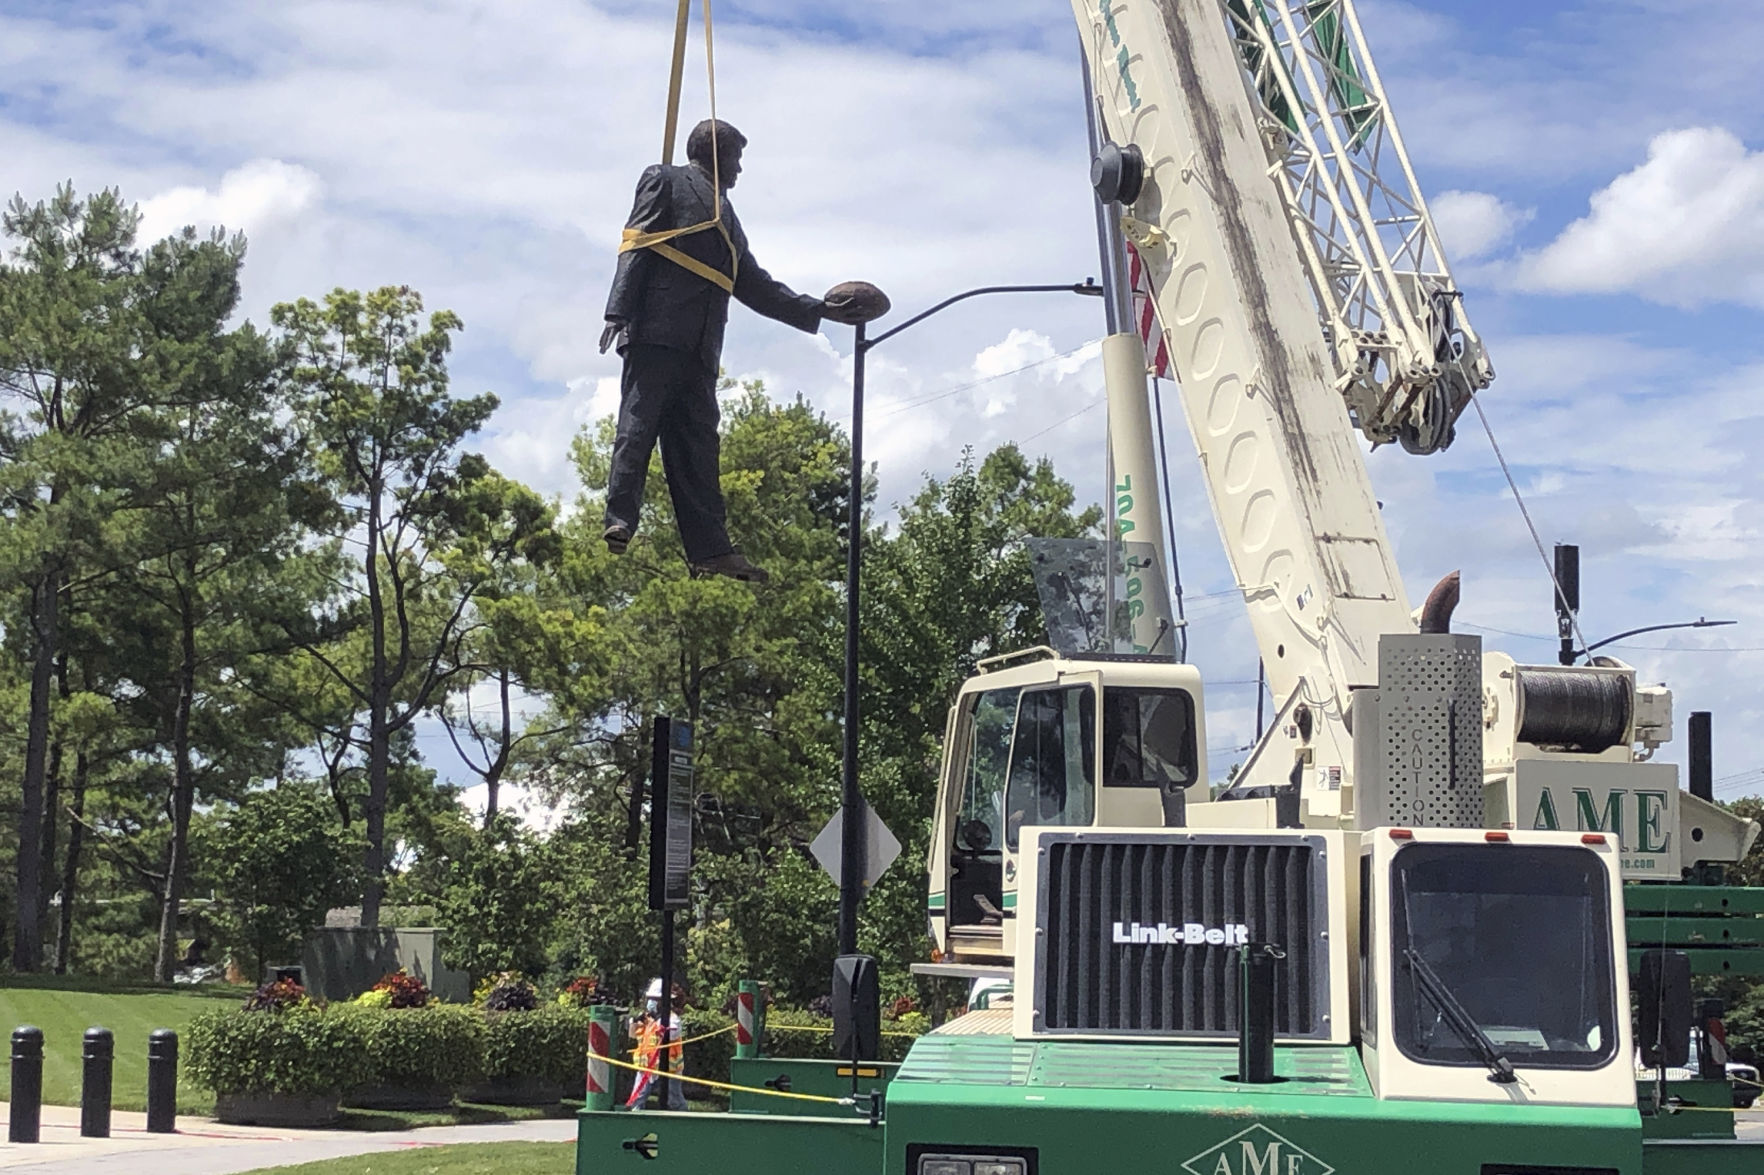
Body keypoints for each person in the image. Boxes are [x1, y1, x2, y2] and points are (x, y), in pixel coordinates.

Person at [602, 118, 874, 583]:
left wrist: (820, 310)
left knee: (699, 448)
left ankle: (711, 549)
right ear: (714, 151)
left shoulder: (728, 218)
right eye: (737, 157)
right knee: (639, 424)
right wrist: (617, 311)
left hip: (702, 345)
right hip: (657, 329)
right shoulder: (664, 179)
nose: (740, 169)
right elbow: (637, 242)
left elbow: (755, 286)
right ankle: (620, 516)